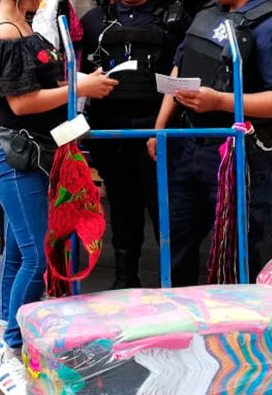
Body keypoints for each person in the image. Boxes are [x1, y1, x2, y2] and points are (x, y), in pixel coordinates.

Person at [0, 0, 117, 395]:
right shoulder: (5, 30)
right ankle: (9, 348)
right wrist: (81, 87)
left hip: (31, 154)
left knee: (20, 253)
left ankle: (5, 337)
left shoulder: (23, 23)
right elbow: (21, 104)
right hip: (14, 156)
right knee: (38, 255)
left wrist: (79, 81)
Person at [148, 0, 272, 286]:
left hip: (241, 155)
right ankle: (177, 321)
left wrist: (220, 101)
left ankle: (243, 325)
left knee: (242, 255)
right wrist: (159, 129)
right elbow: (178, 70)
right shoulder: (206, 13)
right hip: (186, 146)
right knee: (174, 249)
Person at [81, 0, 188, 288]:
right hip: (112, 134)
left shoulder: (175, 23)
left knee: (165, 209)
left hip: (159, 132)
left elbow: (181, 78)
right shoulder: (93, 22)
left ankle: (175, 284)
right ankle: (125, 279)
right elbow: (81, 79)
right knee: (122, 207)